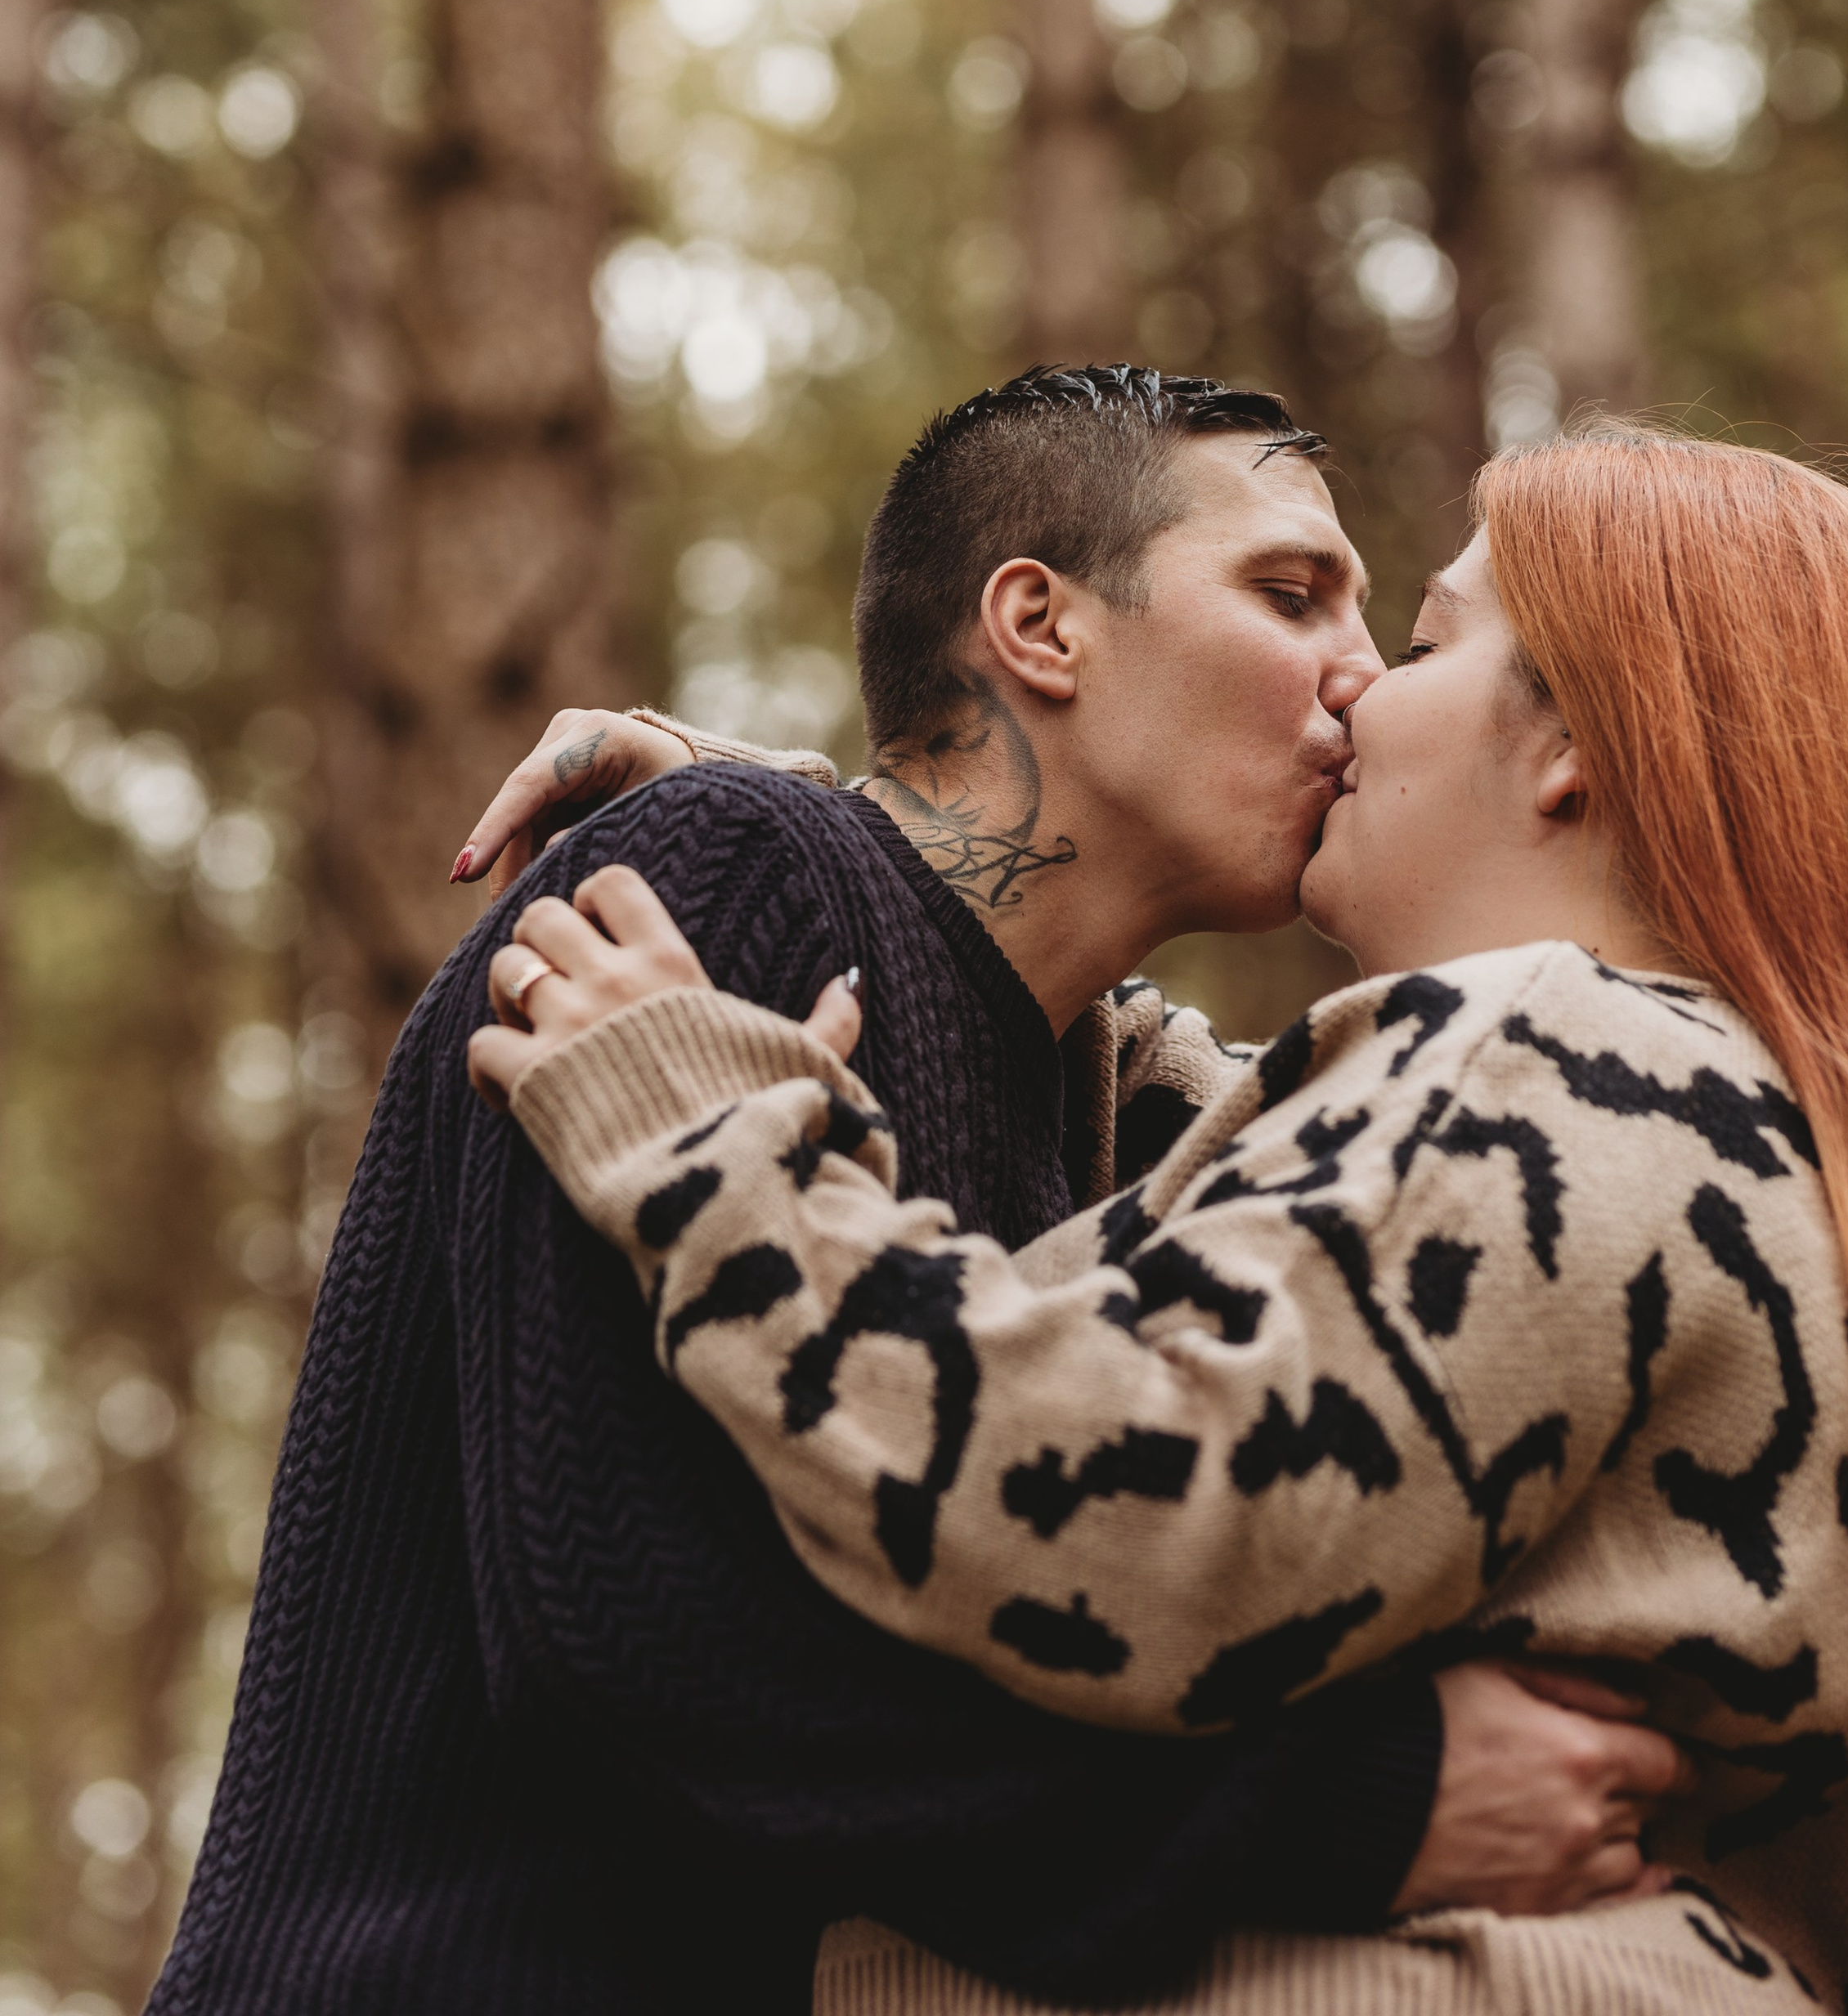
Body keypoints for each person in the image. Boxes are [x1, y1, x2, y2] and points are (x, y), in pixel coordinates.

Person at [475, 428, 1848, 2016]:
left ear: (1569, 745)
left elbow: (1121, 1506)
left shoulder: (1557, 1055)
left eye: (1422, 640)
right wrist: (843, 839)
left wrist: (705, 1146)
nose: (1353, 689)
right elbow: (1193, 1150)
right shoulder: (1739, 1129)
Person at [151, 371, 1679, 2016]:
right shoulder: (728, 881)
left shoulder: (1093, 1094)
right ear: (1036, 623)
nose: (1359, 680)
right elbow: (640, 1641)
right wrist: (1360, 1807)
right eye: (1289, 592)